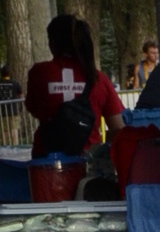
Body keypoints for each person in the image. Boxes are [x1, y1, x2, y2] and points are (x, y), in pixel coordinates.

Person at [26, 13, 125, 158]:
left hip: (47, 161)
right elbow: (118, 128)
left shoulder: (40, 72)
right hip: (88, 160)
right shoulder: (99, 79)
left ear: (53, 43)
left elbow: (34, 110)